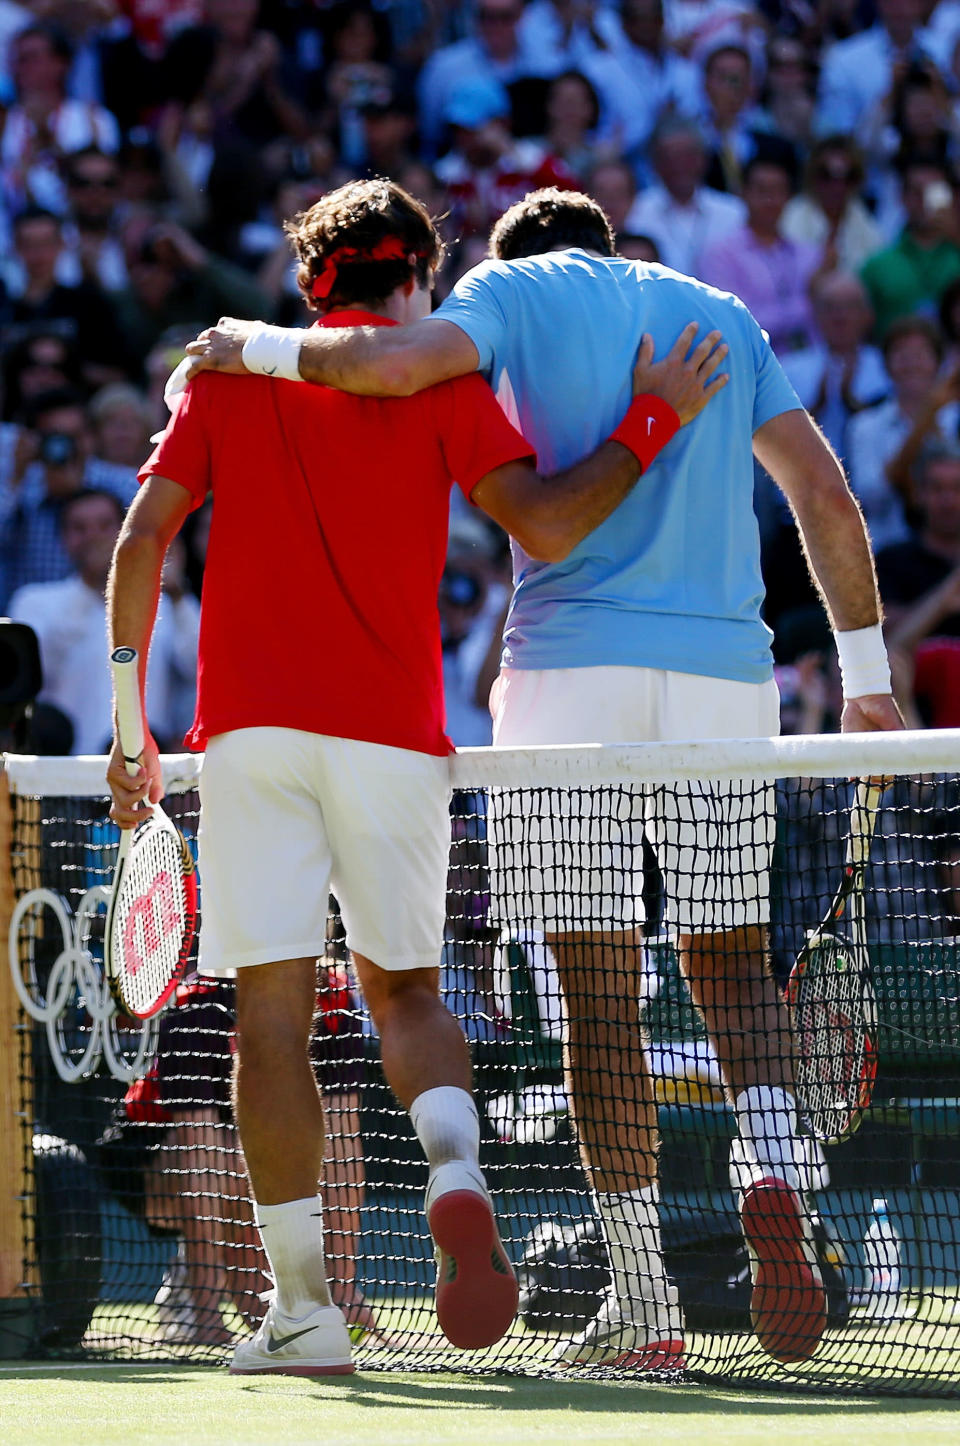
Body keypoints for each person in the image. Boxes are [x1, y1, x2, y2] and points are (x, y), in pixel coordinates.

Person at [182, 185, 904, 1373]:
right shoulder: (718, 311)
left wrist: (247, 344)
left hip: (568, 683)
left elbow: (387, 362)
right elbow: (824, 496)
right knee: (731, 967)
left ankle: (646, 1300)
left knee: (596, 992)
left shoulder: (506, 291)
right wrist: (867, 677)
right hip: (728, 680)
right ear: (615, 248)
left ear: (514, 257)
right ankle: (772, 1164)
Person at [106, 178, 725, 1378]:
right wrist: (650, 419)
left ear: (312, 281)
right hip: (395, 740)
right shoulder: (445, 379)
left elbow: (142, 539)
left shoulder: (230, 377)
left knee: (267, 1027)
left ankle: (305, 1318)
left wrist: (130, 722)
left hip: (251, 740)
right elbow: (547, 524)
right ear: (415, 281)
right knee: (407, 998)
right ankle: (451, 1167)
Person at [9, 487, 197, 753]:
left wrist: (177, 592)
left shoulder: (167, 603)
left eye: (104, 526)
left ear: (126, 531)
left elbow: (196, 669)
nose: (93, 536)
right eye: (79, 528)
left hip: (147, 776)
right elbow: (30, 678)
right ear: (63, 539)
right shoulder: (35, 601)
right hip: (60, 774)